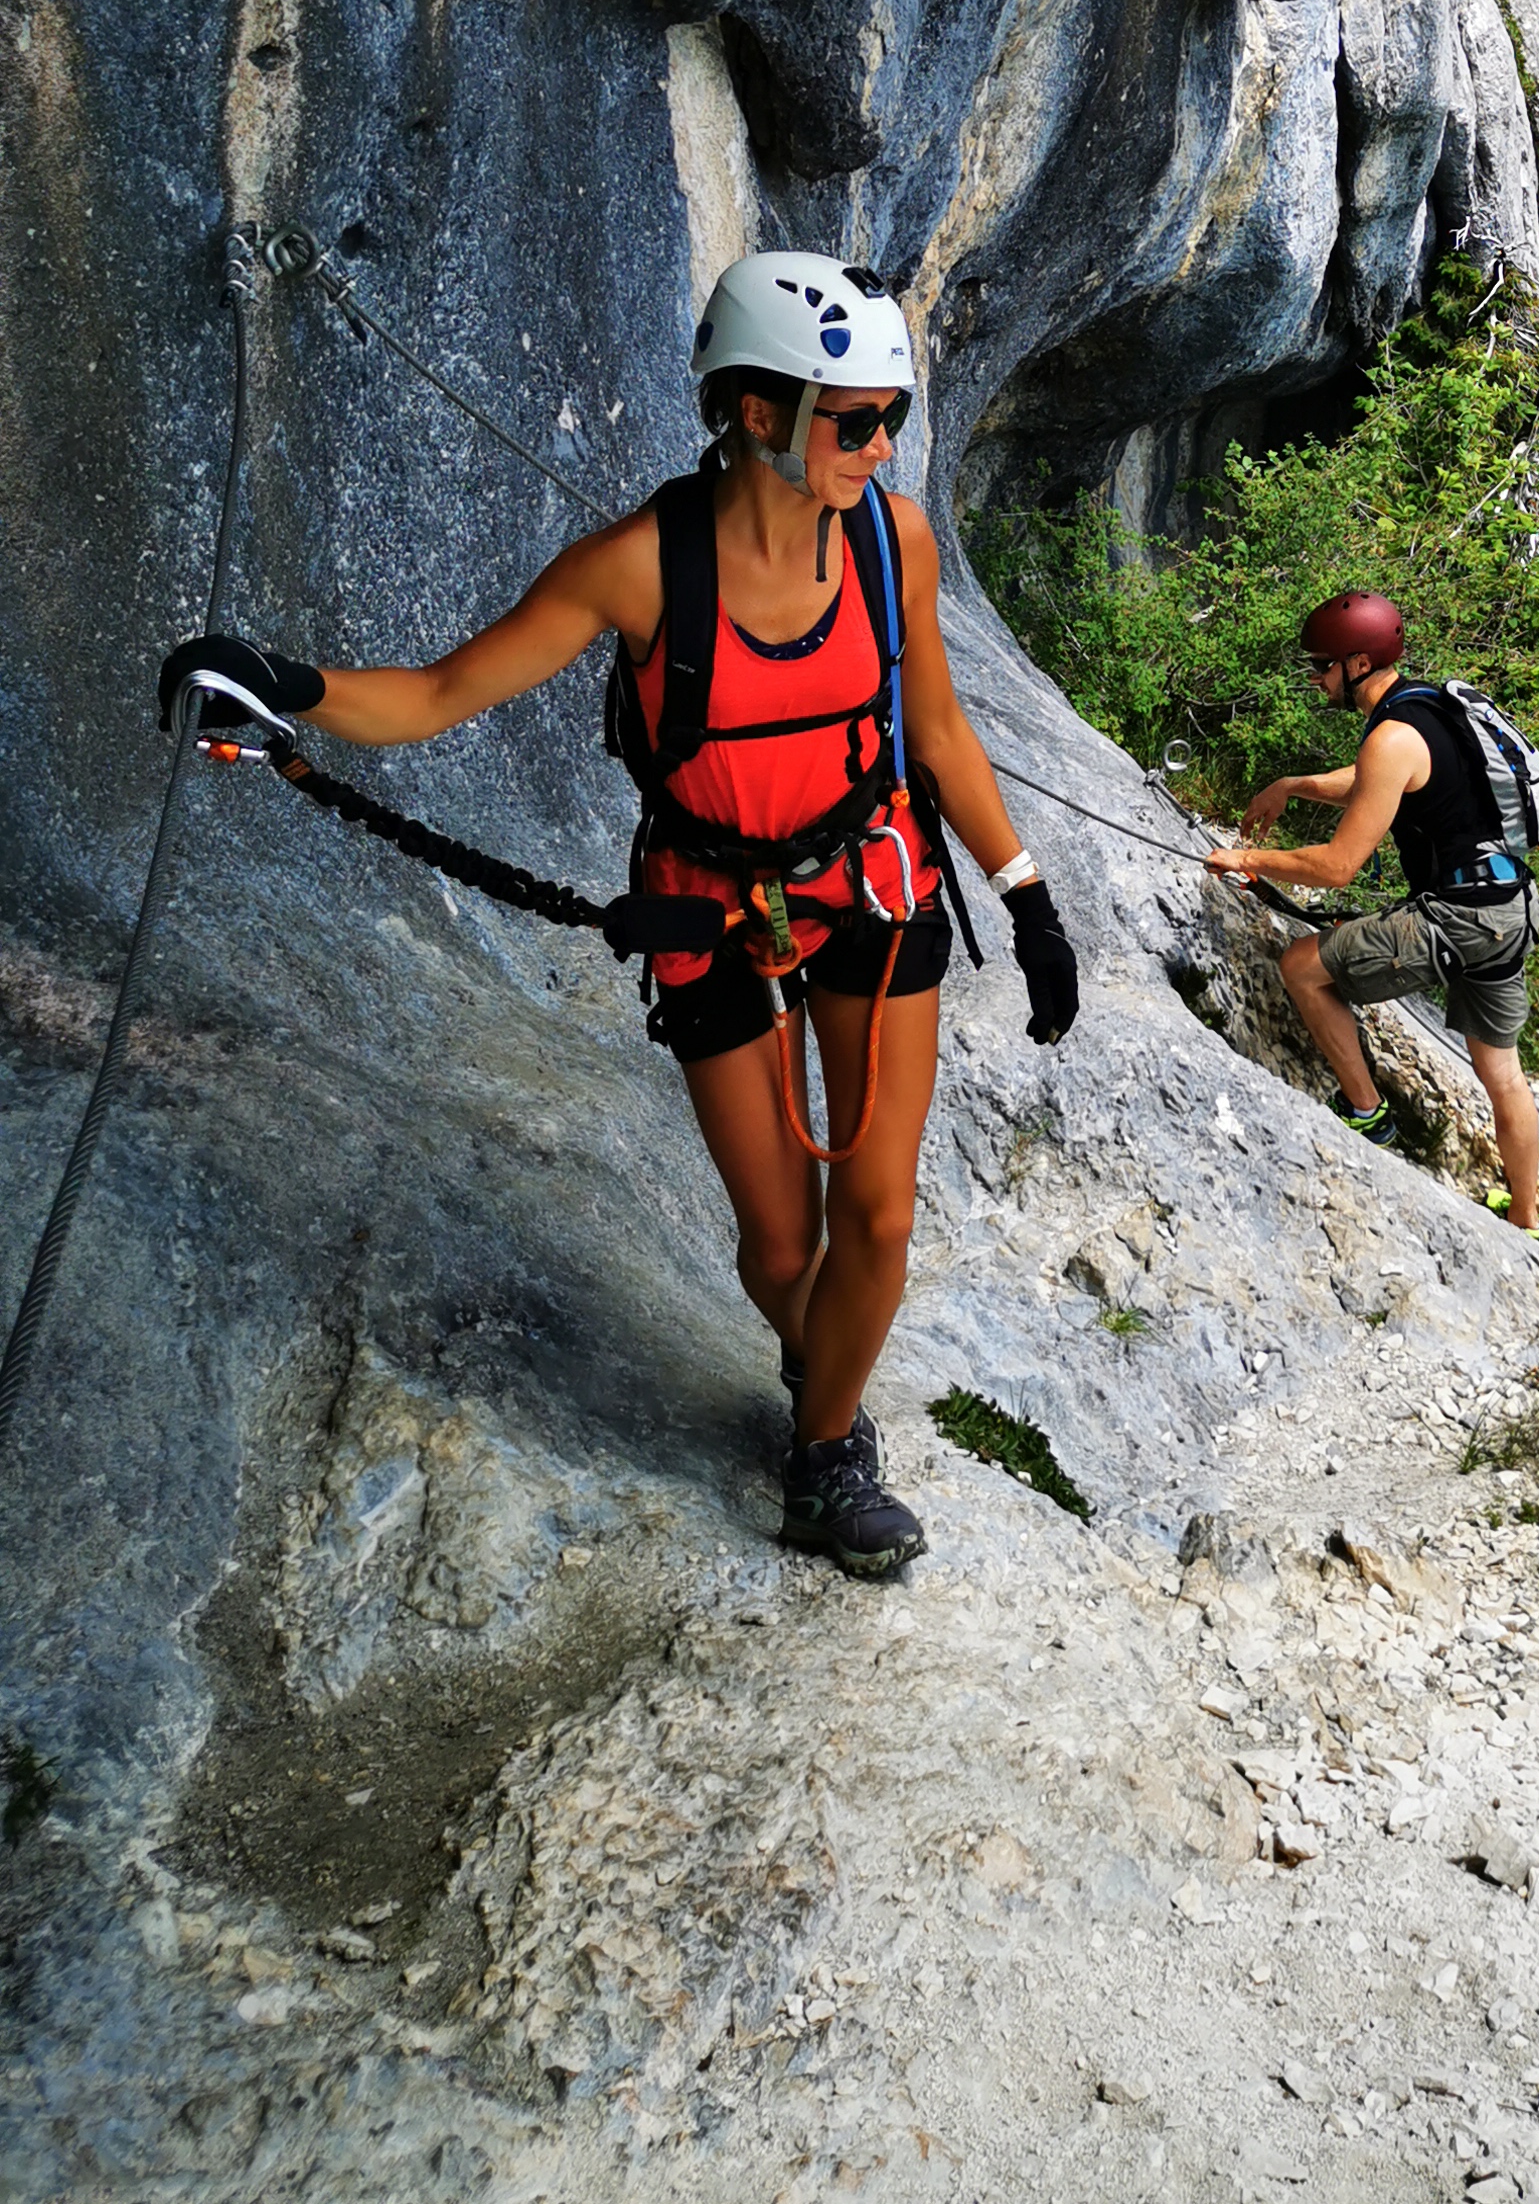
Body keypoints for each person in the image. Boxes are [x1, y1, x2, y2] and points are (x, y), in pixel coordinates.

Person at [160, 251, 1079, 1584]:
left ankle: (826, 1458)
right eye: (854, 421)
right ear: (758, 412)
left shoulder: (894, 544)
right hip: (707, 907)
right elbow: (437, 695)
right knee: (783, 1247)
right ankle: (822, 1367)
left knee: (878, 1220)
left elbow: (933, 728)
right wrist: (280, 684)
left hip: (871, 883)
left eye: (891, 417)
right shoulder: (639, 571)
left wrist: (1026, 893)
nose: (882, 447)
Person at [1205, 593, 1539, 1233]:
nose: (1316, 677)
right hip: (1508, 908)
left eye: (1322, 665)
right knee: (1502, 1072)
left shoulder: (1390, 735)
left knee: (1302, 966)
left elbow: (1337, 867)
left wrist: (1247, 858)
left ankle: (1367, 1114)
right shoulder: (1426, 707)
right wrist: (1293, 785)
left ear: (1357, 663)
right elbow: (1374, 782)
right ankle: (1526, 1220)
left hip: (1458, 915)